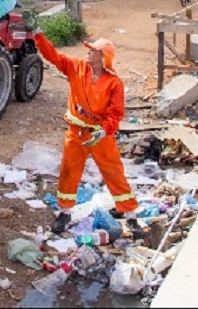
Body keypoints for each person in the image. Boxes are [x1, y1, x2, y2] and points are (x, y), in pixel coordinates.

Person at [26, 24, 138, 234]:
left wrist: (103, 131)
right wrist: (37, 35)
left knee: (113, 173)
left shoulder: (114, 84)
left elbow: (115, 114)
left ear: (103, 57)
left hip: (100, 135)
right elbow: (54, 56)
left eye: (93, 50)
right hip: (76, 133)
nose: (88, 51)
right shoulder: (76, 67)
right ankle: (65, 212)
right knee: (69, 172)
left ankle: (130, 214)